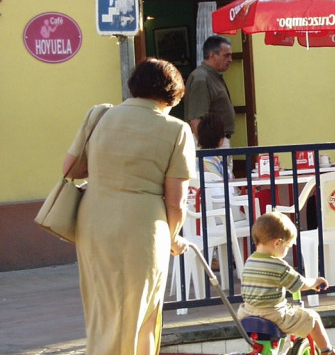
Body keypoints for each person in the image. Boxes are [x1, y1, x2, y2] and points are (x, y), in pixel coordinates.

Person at [61, 58, 196, 354]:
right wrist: (173, 239)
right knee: (142, 312)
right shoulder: (177, 129)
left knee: (103, 309)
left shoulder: (98, 115)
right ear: (172, 94)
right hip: (143, 227)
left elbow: (69, 169)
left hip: (93, 221)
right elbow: (176, 201)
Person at [238, 212, 335, 355]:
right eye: (288, 246)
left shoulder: (250, 262)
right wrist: (314, 282)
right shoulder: (278, 266)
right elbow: (300, 283)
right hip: (272, 315)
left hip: (247, 314)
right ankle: (327, 351)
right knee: (312, 318)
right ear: (277, 243)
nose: (287, 250)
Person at [184, 35, 236, 141]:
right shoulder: (201, 78)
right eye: (226, 56)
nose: (230, 60)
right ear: (212, 55)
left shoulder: (213, 75)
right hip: (211, 144)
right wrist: (209, 148)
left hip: (219, 141)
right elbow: (195, 119)